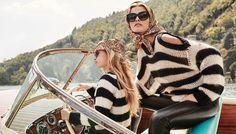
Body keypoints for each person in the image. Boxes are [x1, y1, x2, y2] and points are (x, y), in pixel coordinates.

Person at [126, 1, 225, 134]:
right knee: (132, 98)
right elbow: (143, 86)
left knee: (159, 119)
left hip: (204, 102)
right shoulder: (142, 50)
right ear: (129, 23)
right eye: (132, 17)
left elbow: (211, 54)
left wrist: (201, 95)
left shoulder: (163, 40)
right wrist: (119, 92)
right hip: (177, 99)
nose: (136, 19)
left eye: (142, 15)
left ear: (151, 20)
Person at [61, 39, 140, 133]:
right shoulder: (122, 79)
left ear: (109, 53)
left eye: (97, 53)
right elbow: (113, 99)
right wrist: (90, 89)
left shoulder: (106, 80)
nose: (95, 58)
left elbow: (98, 120)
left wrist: (69, 116)